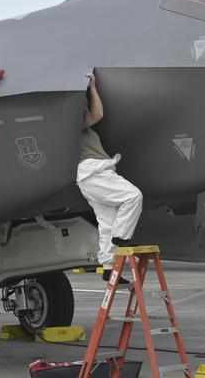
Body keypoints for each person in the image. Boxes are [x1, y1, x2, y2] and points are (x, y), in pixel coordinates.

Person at [76, 72, 143, 280]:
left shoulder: (79, 126)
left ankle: (108, 268)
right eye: (83, 103)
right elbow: (98, 114)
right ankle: (122, 238)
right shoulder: (73, 123)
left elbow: (94, 114)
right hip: (94, 171)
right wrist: (93, 88)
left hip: (88, 177)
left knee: (107, 222)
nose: (87, 106)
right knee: (133, 196)